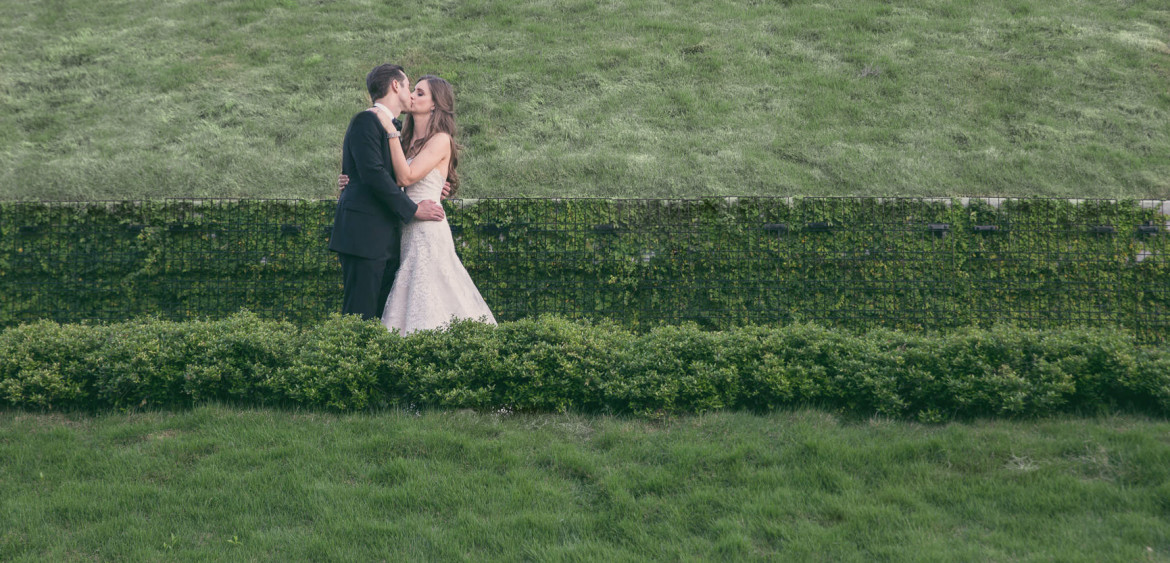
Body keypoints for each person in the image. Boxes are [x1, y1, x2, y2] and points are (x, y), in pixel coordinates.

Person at [340, 75, 496, 334]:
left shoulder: (440, 139)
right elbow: (380, 175)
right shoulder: (403, 139)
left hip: (427, 227)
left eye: (420, 93)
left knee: (433, 292)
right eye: (413, 90)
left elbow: (406, 177)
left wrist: (390, 132)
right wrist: (351, 180)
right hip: (402, 229)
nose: (412, 95)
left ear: (435, 104)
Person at [328, 64, 446, 321]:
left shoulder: (400, 130)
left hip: (389, 239)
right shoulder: (365, 120)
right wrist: (413, 209)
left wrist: (437, 186)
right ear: (396, 86)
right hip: (364, 236)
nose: (411, 93)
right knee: (360, 316)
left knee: (385, 319)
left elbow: (404, 171)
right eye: (408, 85)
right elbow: (374, 175)